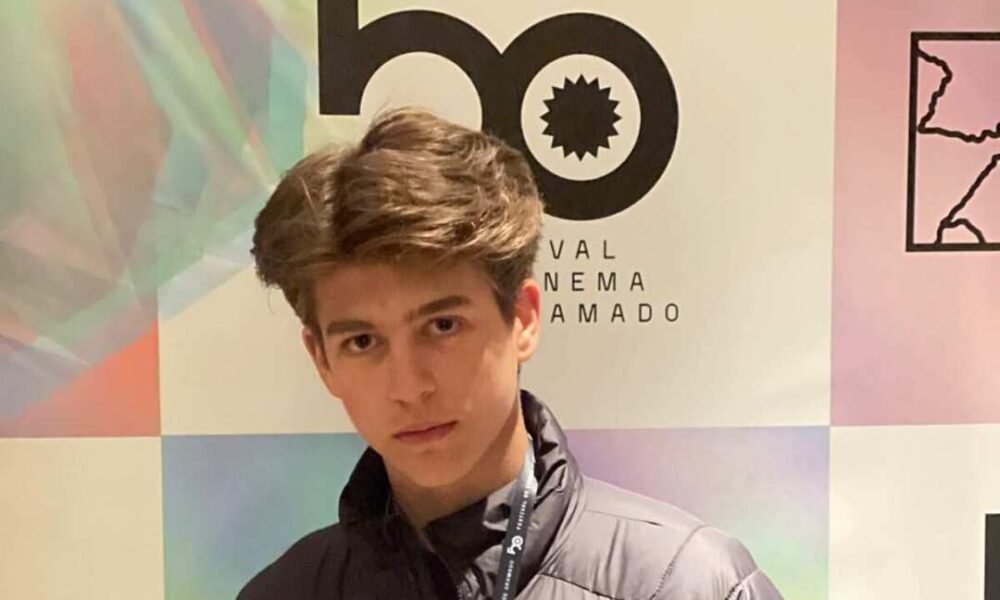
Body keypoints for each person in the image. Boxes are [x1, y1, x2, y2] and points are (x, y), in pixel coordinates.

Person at [239, 108, 783, 600]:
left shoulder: (690, 585)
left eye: (442, 325)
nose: (409, 386)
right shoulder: (282, 593)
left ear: (522, 318)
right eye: (362, 342)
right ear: (322, 360)